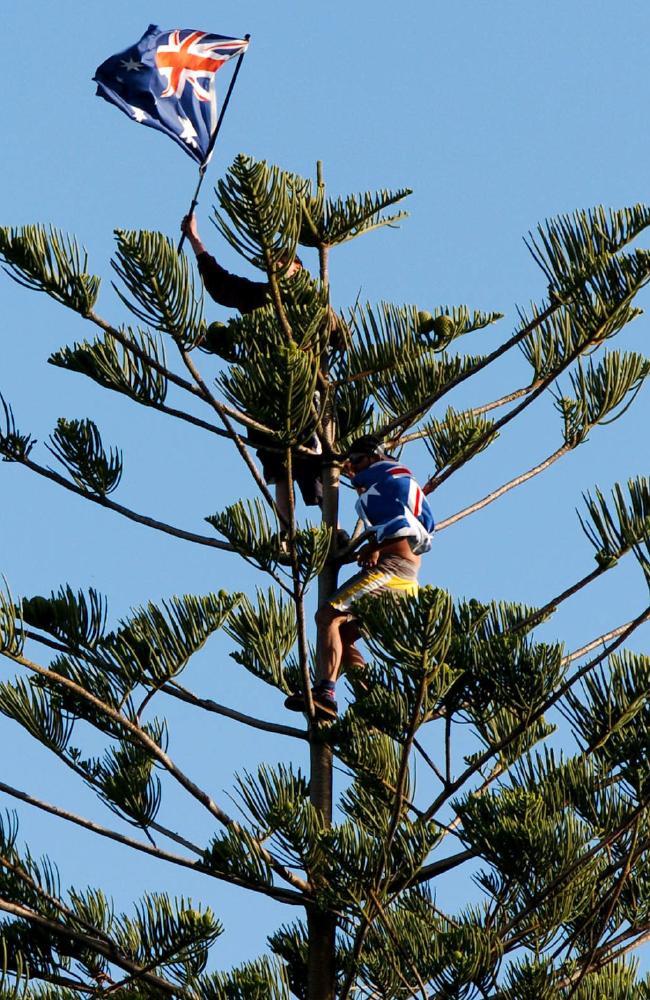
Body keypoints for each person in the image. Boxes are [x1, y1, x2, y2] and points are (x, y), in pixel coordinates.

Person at [181, 214, 321, 522]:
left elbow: (337, 336)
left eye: (287, 263)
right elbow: (220, 283)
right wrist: (195, 239)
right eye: (275, 264)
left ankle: (331, 526)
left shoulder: (313, 304)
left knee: (315, 460)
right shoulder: (258, 296)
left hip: (301, 390)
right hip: (263, 392)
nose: (280, 268)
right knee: (276, 463)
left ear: (300, 269)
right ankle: (287, 532)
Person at [285, 435, 435, 719]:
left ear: (374, 457)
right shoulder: (399, 482)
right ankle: (371, 701)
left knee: (327, 616)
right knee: (343, 634)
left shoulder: (388, 481)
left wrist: (374, 546)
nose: (351, 470)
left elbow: (402, 526)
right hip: (402, 577)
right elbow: (419, 529)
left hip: (392, 572)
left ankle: (324, 693)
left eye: (356, 462)